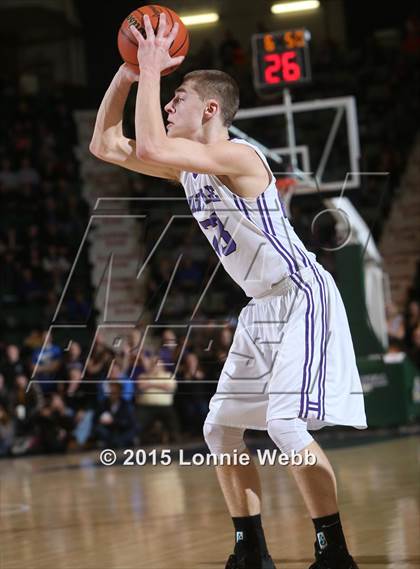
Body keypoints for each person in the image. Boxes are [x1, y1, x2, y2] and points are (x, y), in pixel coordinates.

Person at [90, 13, 367, 569]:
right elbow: (104, 144)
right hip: (262, 308)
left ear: (210, 111)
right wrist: (125, 74)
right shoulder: (189, 167)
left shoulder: (239, 157)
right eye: (167, 97)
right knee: (219, 428)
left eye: (180, 97)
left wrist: (149, 70)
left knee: (286, 424)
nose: (169, 104)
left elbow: (149, 142)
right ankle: (251, 550)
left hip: (301, 296)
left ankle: (333, 552)